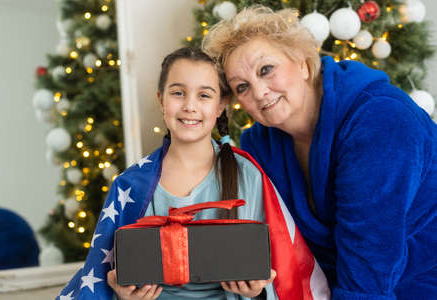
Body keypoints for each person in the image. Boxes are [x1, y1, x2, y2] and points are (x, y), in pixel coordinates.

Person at [202, 5, 437, 300]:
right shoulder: (260, 144)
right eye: (243, 87)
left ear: (302, 63)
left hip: (416, 283)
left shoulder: (381, 121)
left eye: (266, 70)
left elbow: (369, 263)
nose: (259, 92)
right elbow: (262, 238)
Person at [56, 47, 330, 300]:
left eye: (204, 95)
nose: (190, 106)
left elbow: (277, 273)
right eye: (178, 93)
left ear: (220, 105)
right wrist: (124, 295)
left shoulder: (249, 176)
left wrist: (255, 291)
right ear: (161, 100)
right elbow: (106, 279)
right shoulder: (130, 185)